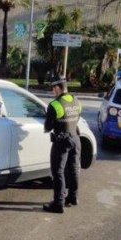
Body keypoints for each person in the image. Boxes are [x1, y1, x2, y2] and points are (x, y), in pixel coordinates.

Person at [43, 76, 81, 214]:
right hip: (76, 138)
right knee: (73, 169)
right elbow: (77, 118)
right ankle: (73, 198)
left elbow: (47, 127)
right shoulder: (76, 101)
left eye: (53, 88)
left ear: (58, 88)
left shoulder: (55, 105)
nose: (53, 91)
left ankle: (58, 203)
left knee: (58, 171)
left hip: (62, 140)